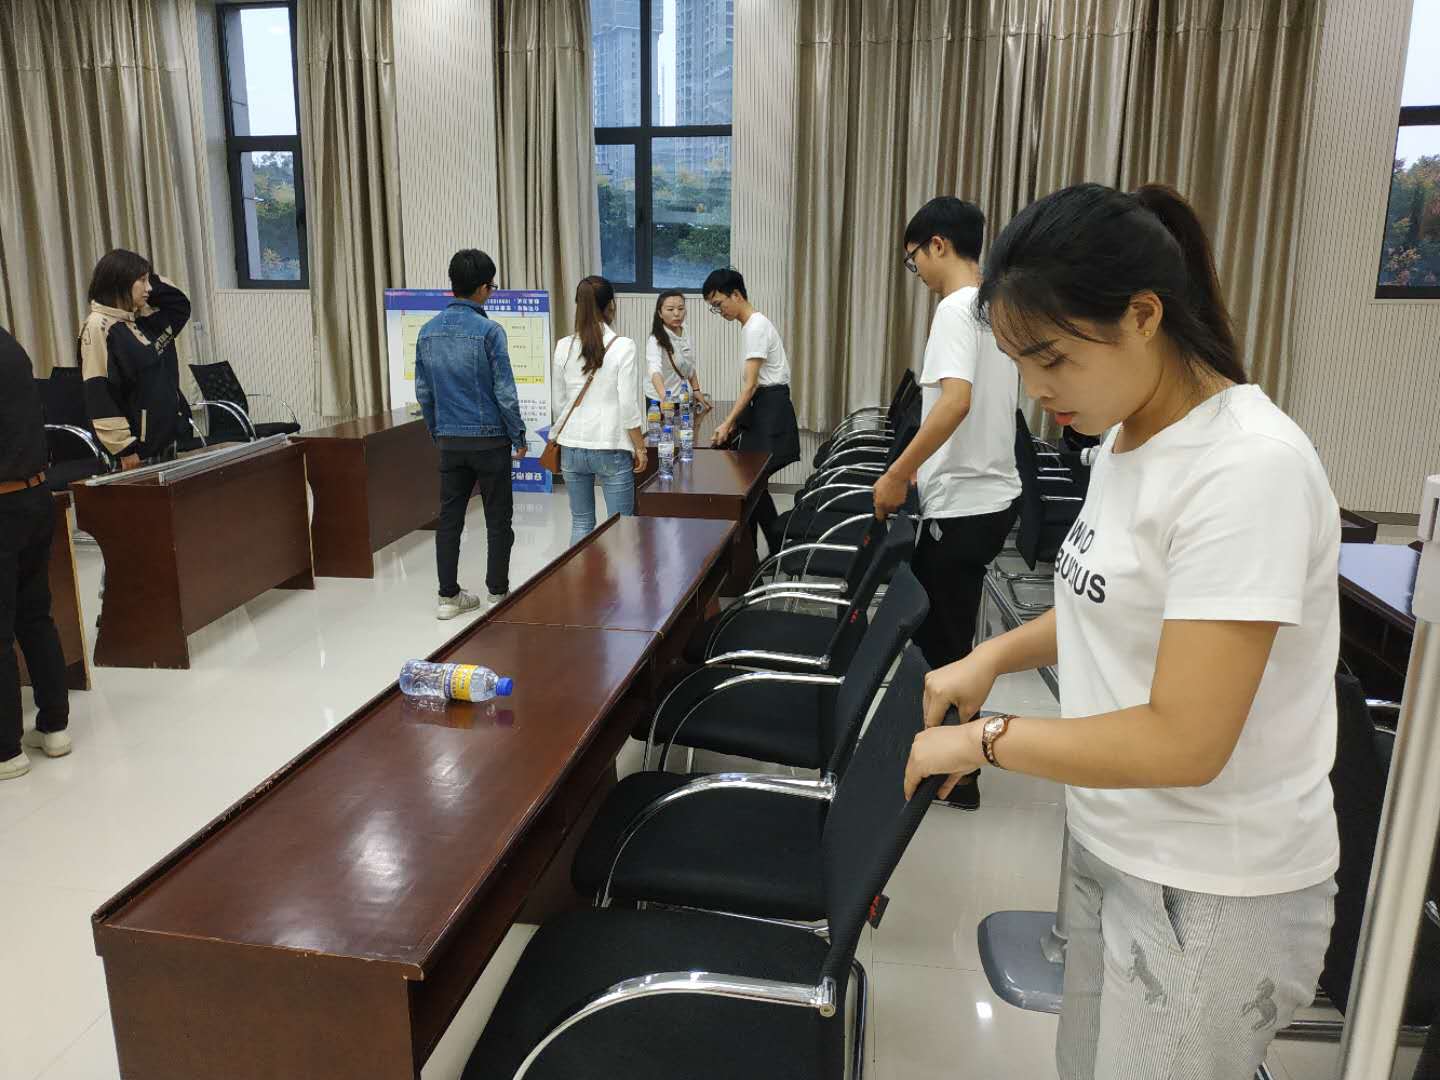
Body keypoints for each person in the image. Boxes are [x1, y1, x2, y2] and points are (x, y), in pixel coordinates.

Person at [905, 183, 1340, 1079]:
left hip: (1210, 883)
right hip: (1115, 840)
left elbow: (1186, 741)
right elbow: (1101, 601)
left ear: (1144, 315)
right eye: (1019, 363)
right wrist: (990, 654)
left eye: (1054, 359)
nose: (1037, 391)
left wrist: (987, 741)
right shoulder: (1126, 438)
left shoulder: (1245, 469)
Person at [876, 197, 1021, 811]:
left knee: (943, 644)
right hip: (990, 495)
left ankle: (956, 776)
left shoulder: (957, 308)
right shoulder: (996, 306)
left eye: (914, 260)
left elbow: (956, 401)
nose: (918, 273)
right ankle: (947, 762)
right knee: (949, 634)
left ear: (938, 244)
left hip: (965, 502)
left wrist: (896, 474)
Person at [414, 249, 527, 620]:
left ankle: (448, 598)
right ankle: (497, 593)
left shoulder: (427, 332)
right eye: (491, 287)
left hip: (450, 440)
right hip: (491, 440)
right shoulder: (489, 332)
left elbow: (424, 392)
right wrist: (518, 434)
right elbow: (504, 391)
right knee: (498, 518)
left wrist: (438, 432)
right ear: (482, 288)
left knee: (449, 519)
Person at [0, 327, 72, 780]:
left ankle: (6, 751)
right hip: (36, 496)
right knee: (34, 615)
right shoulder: (9, 344)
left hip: (3, 503)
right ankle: (54, 726)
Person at [702, 268, 800, 551]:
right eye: (714, 307)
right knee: (752, 483)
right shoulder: (752, 325)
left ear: (736, 295)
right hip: (766, 404)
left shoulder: (755, 327)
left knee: (749, 482)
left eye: (719, 304)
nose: (719, 311)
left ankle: (768, 549)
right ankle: (769, 549)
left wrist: (728, 422)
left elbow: (750, 385)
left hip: (771, 408)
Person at [73, 249, 193, 468]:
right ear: (119, 282)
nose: (149, 288)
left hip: (169, 438)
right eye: (142, 281)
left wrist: (146, 277)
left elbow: (179, 306)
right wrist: (124, 448)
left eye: (149, 280)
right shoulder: (99, 326)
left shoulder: (142, 319)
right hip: (137, 452)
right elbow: (99, 392)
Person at [552, 276, 646, 545]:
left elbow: (559, 403)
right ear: (611, 305)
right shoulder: (623, 346)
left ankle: (579, 574)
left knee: (581, 522)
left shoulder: (563, 346)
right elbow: (627, 404)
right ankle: (618, 576)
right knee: (622, 526)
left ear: (578, 305)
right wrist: (640, 447)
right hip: (610, 445)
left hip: (571, 446)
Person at [645, 290, 710, 411]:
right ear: (660, 313)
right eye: (670, 309)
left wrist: (696, 390)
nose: (676, 313)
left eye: (681, 308)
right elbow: (654, 370)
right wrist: (664, 397)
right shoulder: (655, 339)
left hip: (683, 396)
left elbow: (689, 364)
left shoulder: (685, 330)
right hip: (660, 399)